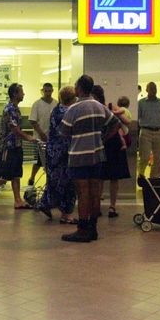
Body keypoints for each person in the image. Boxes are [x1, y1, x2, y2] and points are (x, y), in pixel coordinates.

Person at [58, 75, 119, 242]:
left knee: (82, 193)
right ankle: (93, 228)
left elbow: (62, 132)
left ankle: (82, 228)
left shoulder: (74, 109)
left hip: (79, 156)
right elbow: (115, 123)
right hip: (97, 154)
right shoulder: (99, 107)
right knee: (94, 193)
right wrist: (102, 139)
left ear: (79, 88)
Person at [0, 83, 36, 210]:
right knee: (3, 175)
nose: (23, 94)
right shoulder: (10, 109)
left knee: (16, 174)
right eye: (21, 92)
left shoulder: (14, 108)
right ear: (15, 94)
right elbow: (14, 128)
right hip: (8, 147)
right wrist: (28, 137)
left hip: (15, 146)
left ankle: (18, 201)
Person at [35, 85, 77, 224]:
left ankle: (45, 203)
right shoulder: (70, 113)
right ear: (73, 98)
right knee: (68, 183)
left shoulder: (56, 110)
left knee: (54, 180)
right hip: (65, 152)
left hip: (53, 151)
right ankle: (66, 213)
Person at [92, 86, 132, 219]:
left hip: (110, 144)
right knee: (100, 177)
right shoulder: (98, 108)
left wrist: (116, 113)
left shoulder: (110, 106)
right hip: (108, 143)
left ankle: (111, 206)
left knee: (110, 177)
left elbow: (127, 121)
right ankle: (102, 206)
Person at [137, 82, 160, 180]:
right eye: (151, 88)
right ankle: (141, 174)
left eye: (154, 88)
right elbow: (138, 117)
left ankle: (154, 177)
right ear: (147, 90)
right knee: (145, 156)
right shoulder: (141, 103)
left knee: (158, 157)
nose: (153, 90)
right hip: (145, 132)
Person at [27, 82, 58, 187]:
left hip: (52, 138)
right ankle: (32, 177)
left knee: (50, 161)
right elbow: (33, 121)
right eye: (46, 91)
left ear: (52, 91)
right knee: (38, 161)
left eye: (49, 91)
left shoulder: (56, 104)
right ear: (42, 91)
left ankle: (49, 180)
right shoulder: (37, 104)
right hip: (39, 138)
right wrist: (41, 133)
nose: (48, 93)